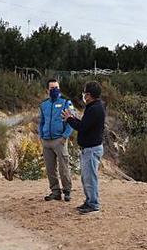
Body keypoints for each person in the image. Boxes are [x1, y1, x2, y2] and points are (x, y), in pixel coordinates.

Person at [63, 81, 106, 214]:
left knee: (90, 178)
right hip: (88, 149)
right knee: (86, 178)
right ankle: (89, 201)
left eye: (85, 93)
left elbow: (82, 127)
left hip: (92, 149)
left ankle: (93, 204)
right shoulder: (94, 107)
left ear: (88, 95)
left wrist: (70, 119)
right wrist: (73, 118)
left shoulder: (95, 109)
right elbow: (85, 124)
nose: (83, 96)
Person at [39, 78, 73, 202]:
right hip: (46, 140)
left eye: (57, 87)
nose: (55, 90)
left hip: (60, 140)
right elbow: (41, 121)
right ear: (47, 90)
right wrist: (41, 136)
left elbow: (71, 121)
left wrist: (65, 136)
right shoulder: (44, 105)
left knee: (64, 167)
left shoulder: (65, 102)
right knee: (50, 168)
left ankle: (67, 191)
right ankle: (55, 191)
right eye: (52, 88)